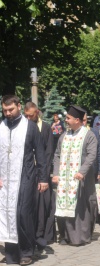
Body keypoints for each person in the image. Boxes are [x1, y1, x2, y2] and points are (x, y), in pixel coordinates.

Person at [0, 95, 47, 265]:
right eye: (4, 110)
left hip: (26, 177)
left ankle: (27, 251)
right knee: (6, 214)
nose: (8, 113)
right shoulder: (1, 126)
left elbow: (40, 153)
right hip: (5, 180)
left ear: (19, 106)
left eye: (10, 109)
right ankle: (11, 254)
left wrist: (43, 178)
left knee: (22, 214)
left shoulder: (30, 127)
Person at [53, 105, 98, 246]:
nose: (65, 120)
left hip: (81, 180)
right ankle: (65, 236)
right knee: (64, 206)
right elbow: (57, 155)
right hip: (65, 181)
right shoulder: (64, 136)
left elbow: (91, 155)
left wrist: (82, 171)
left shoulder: (88, 135)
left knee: (80, 209)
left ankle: (80, 237)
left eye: (68, 118)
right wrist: (55, 173)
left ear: (77, 120)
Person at [24, 102, 56, 249]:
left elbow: (49, 151)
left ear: (37, 112)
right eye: (26, 115)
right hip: (29, 172)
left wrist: (44, 173)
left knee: (44, 204)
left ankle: (43, 234)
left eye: (31, 115)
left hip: (42, 172)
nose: (28, 118)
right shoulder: (24, 127)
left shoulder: (46, 127)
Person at [83, 113, 100, 226]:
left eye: (84, 120)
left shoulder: (94, 132)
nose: (83, 123)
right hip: (82, 171)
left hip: (94, 169)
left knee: (96, 194)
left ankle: (98, 215)